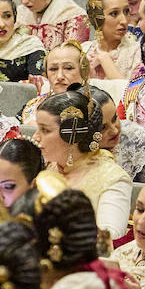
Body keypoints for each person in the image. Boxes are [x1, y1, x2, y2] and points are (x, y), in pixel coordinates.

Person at [34, 85, 133, 238]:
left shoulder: (112, 178)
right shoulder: (47, 167)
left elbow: (108, 239)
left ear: (71, 134)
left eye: (45, 130)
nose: (36, 137)